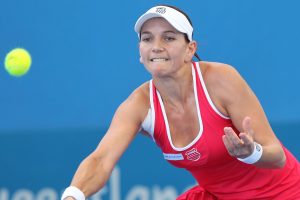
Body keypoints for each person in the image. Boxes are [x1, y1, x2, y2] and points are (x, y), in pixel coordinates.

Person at [61, 5, 300, 200]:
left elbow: (276, 156)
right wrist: (72, 196)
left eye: (169, 38)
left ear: (190, 49)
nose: (156, 46)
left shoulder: (221, 79)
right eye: (147, 38)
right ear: (140, 51)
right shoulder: (138, 105)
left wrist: (250, 152)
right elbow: (101, 159)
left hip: (285, 193)